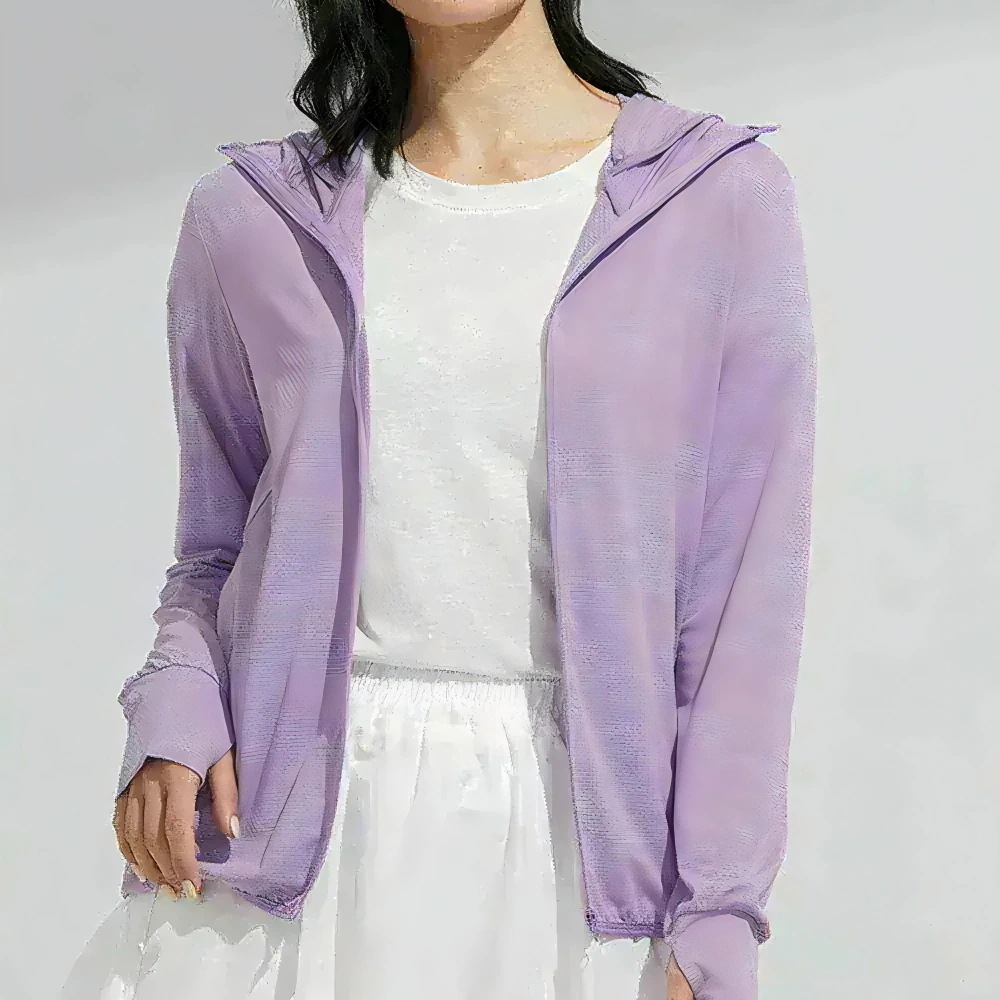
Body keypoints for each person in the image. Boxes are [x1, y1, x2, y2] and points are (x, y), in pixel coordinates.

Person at [61, 1, 817, 998]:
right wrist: (174, 708)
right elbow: (214, 541)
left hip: (571, 846)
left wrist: (717, 907)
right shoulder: (250, 217)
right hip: (285, 837)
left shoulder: (715, 199)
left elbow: (744, 597)